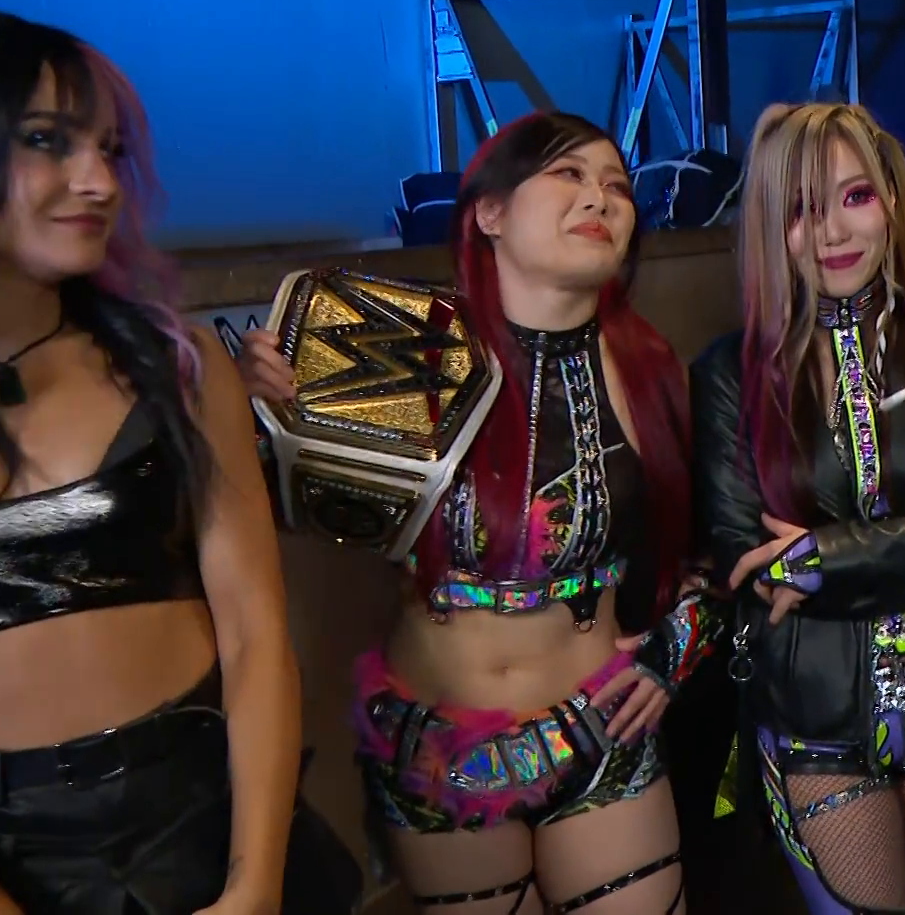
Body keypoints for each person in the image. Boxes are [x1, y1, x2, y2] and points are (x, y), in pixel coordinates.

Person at [0, 8, 356, 913]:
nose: (98, 182)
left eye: (108, 150)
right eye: (45, 142)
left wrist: (253, 887)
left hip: (208, 823)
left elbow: (256, 637)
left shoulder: (174, 366)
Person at [238, 111, 721, 913]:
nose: (600, 198)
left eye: (617, 186)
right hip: (434, 754)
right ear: (489, 213)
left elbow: (710, 546)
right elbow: (288, 519)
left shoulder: (651, 369)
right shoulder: (399, 358)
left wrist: (672, 656)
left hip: (601, 737)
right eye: (568, 175)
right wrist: (257, 419)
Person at [693, 102, 905, 915]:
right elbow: (745, 554)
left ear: (891, 202)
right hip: (813, 712)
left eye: (856, 197)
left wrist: (824, 558)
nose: (834, 231)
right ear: (770, 226)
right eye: (802, 209)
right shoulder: (730, 374)